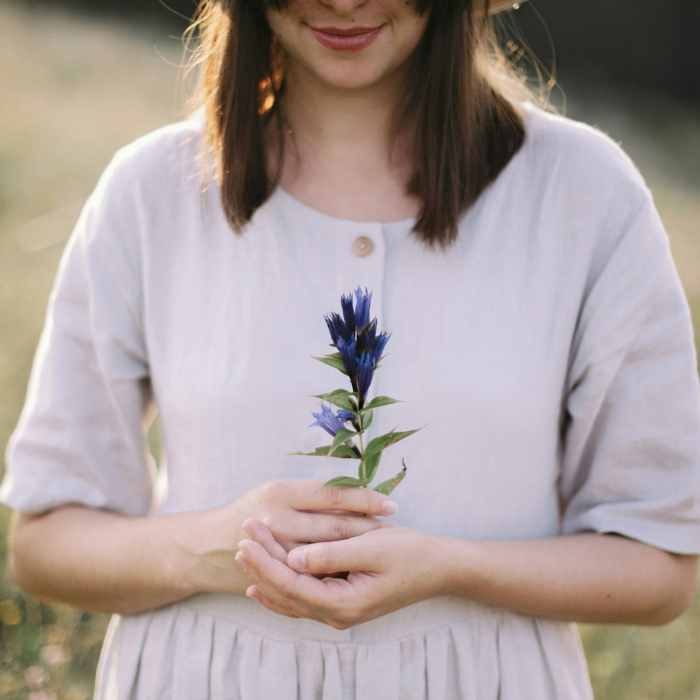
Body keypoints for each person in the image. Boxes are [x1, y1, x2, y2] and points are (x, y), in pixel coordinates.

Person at [2, 0, 700, 697]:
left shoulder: (584, 196)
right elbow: (44, 546)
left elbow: (660, 568)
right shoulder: (150, 191)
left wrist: (452, 568)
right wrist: (219, 548)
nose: (343, 1)